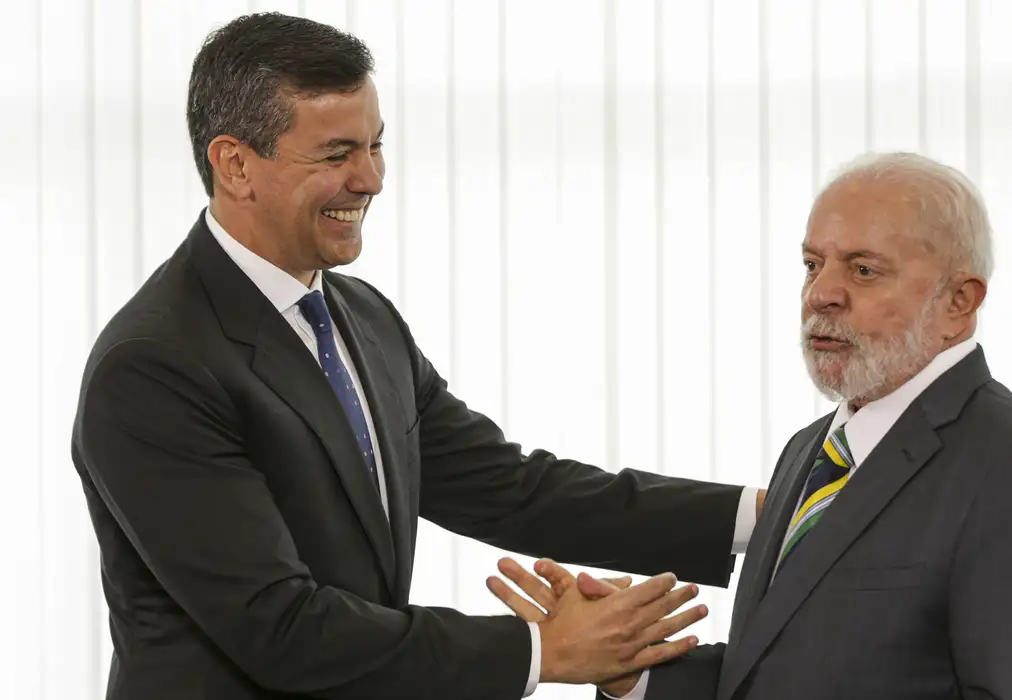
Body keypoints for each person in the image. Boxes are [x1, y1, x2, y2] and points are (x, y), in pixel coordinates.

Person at [70, 12, 767, 700]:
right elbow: (280, 627)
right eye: (337, 154)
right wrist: (542, 651)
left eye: (376, 146)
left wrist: (763, 517)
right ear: (235, 165)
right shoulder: (154, 364)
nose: (370, 179)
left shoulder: (363, 317)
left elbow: (510, 488)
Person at [490, 152, 1012, 699]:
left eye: (863, 270)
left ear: (960, 302)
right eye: (813, 265)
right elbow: (771, 676)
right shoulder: (810, 451)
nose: (822, 294)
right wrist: (630, 667)